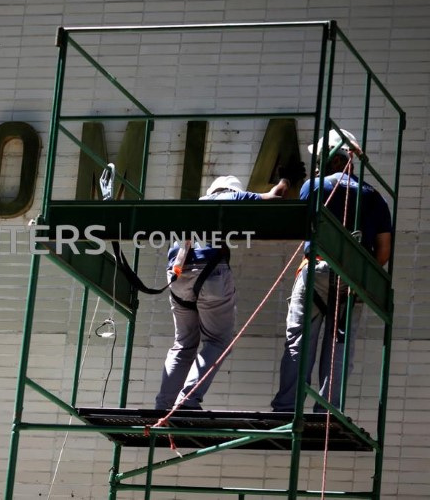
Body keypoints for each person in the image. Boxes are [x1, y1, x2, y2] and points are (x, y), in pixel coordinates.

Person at [271, 129, 392, 413]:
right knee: (339, 348)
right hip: (352, 279)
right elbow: (383, 250)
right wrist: (361, 275)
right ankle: (327, 411)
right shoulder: (374, 198)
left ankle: (287, 408)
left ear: (335, 159)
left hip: (316, 272)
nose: (317, 165)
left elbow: (298, 226)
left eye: (321, 158)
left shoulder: (314, 186)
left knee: (300, 342)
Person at [155, 173, 294, 411]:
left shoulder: (194, 206)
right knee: (218, 340)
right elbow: (275, 197)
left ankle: (163, 405)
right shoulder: (230, 196)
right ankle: (187, 400)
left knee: (184, 342)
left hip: (177, 275)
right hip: (209, 272)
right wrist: (286, 179)